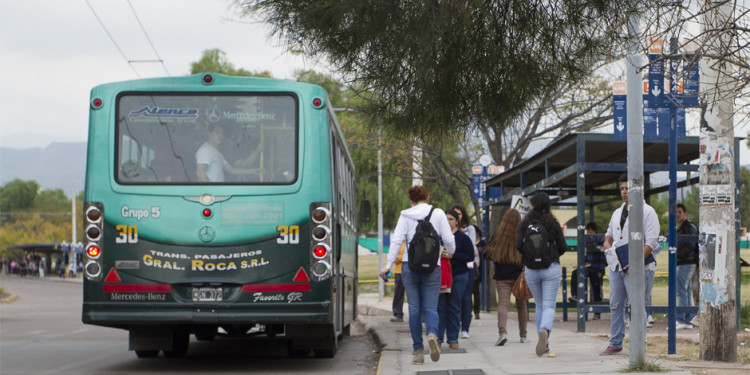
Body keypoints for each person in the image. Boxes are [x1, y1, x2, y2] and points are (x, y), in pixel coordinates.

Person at [379, 186, 456, 365]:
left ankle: (418, 351)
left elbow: (396, 240)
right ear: (427, 197)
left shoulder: (406, 215)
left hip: (409, 266)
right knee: (430, 308)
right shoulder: (437, 214)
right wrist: (450, 252)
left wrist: (388, 265)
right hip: (433, 267)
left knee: (414, 309)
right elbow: (449, 240)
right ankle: (432, 333)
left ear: (411, 199)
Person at [600, 173, 660, 355]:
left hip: (638, 267)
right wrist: (608, 245)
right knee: (616, 304)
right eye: (622, 189)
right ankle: (615, 342)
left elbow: (652, 242)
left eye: (628, 189)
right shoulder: (617, 212)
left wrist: (634, 263)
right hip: (617, 265)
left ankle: (638, 342)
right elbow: (609, 234)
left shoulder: (648, 212)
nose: (625, 192)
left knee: (637, 304)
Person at [515, 192, 568, 356]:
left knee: (538, 305)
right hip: (550, 268)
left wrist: (530, 257)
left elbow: (518, 245)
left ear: (533, 206)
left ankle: (544, 343)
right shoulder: (552, 222)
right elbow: (563, 246)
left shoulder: (525, 223)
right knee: (549, 305)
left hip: (531, 270)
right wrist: (551, 256)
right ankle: (545, 329)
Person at [484, 208, 528, 346]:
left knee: (503, 304)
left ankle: (502, 332)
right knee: (521, 305)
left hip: (502, 276)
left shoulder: (498, 236)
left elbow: (486, 253)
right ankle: (523, 335)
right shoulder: (522, 236)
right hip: (519, 277)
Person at [442, 209, 476, 349]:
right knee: (440, 308)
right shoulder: (439, 236)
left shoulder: (463, 238)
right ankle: (438, 338)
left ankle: (453, 338)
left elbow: (470, 257)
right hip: (442, 276)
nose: (448, 221)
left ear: (456, 221)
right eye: (446, 219)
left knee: (454, 307)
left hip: (459, 276)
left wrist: (453, 256)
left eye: (451, 219)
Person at [195, 123, 261, 182]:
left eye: (222, 134)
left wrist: (254, 171)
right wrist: (212, 189)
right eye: (217, 132)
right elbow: (200, 172)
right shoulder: (205, 150)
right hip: (213, 193)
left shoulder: (217, 153)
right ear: (210, 133)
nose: (220, 136)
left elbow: (232, 169)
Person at [568, 222, 606, 319]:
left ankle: (597, 311)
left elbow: (603, 257)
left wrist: (601, 271)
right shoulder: (585, 241)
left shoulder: (600, 240)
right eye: (587, 230)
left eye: (590, 230)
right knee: (575, 273)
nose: (589, 232)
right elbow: (584, 256)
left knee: (596, 287)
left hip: (596, 268)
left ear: (595, 231)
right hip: (587, 267)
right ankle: (575, 295)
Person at [450, 204, 477, 338]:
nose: (456, 217)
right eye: (453, 215)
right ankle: (455, 324)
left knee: (466, 297)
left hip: (468, 266)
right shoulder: (446, 231)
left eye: (459, 214)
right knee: (453, 298)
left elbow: (470, 248)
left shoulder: (468, 230)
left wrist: (453, 253)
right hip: (452, 267)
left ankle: (465, 327)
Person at [676, 203, 699, 329]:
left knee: (681, 290)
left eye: (680, 212)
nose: (678, 215)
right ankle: (690, 318)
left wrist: (677, 254)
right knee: (687, 290)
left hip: (686, 262)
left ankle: (682, 319)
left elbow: (691, 245)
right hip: (683, 262)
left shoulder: (689, 227)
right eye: (676, 212)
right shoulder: (680, 228)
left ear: (685, 213)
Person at [471, 224, 486, 320]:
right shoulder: (468, 242)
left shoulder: (482, 243)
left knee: (476, 291)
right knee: (468, 292)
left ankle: (476, 311)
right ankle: (469, 310)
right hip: (469, 268)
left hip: (478, 270)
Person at [390, 242, 406, 323]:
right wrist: (403, 258)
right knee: (398, 294)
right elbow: (393, 257)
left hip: (411, 271)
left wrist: (400, 258)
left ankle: (421, 317)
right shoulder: (398, 242)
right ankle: (398, 314)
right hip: (399, 271)